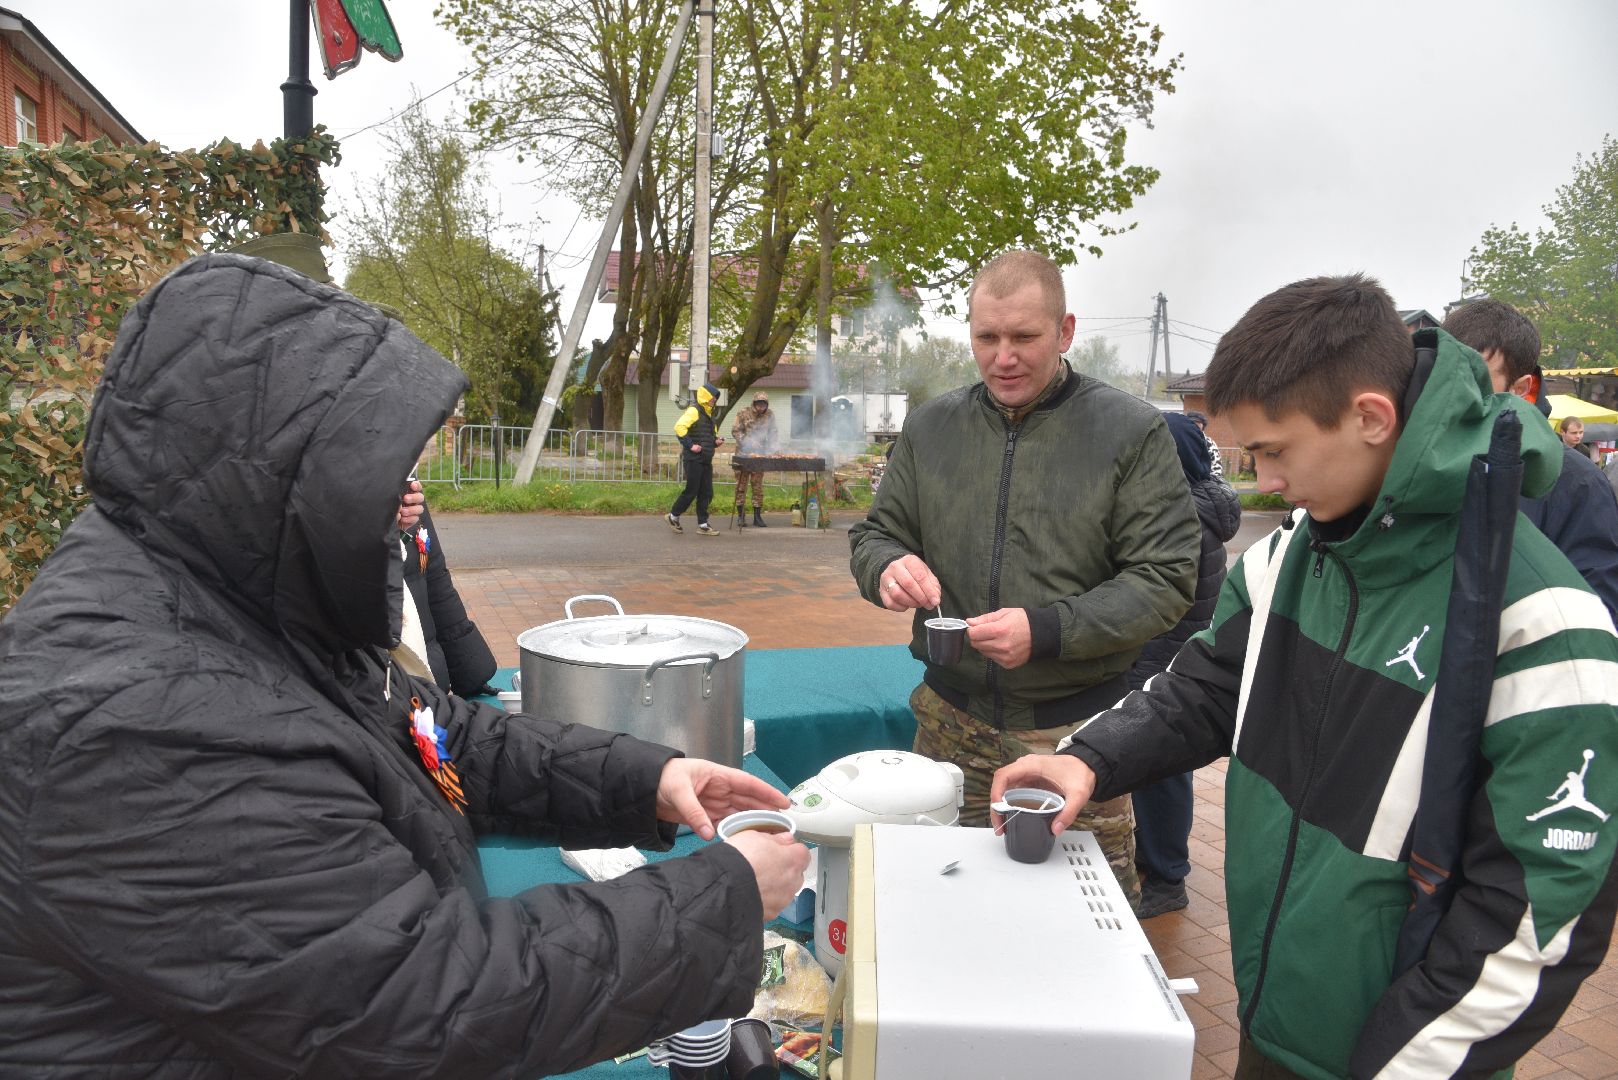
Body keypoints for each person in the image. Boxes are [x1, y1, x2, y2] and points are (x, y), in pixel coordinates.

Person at [0, 254, 811, 1077]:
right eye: (380, 465)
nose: (408, 494)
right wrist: (722, 901)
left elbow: (432, 733)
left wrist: (642, 780)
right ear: (276, 469)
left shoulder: (243, 589)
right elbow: (422, 1003)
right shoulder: (135, 727)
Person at [992, 274, 1618, 1079]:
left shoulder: (1542, 623)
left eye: (1273, 451)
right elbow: (1204, 684)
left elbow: (1542, 915)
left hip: (1399, 1057)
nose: (1261, 479)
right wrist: (1088, 758)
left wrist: (1398, 1065)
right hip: (1273, 1017)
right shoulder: (1294, 551)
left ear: (1369, 417)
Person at [848, 249, 1199, 908]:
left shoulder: (1129, 431)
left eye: (1023, 338)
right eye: (987, 337)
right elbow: (874, 534)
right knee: (941, 908)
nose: (1003, 356)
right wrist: (886, 567)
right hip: (947, 726)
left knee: (1081, 923)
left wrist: (1046, 631)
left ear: (1064, 332)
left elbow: (1166, 578)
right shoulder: (932, 428)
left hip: (1072, 739)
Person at [1129, 412, 1241, 920]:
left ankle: (1167, 877)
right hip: (1169, 650)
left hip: (1162, 654)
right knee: (1159, 769)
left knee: (1160, 770)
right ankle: (1159, 862)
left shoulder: (1181, 517)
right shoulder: (1198, 506)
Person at [1443, 298, 1618, 622]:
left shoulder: (1578, 483)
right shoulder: (1427, 464)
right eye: (1445, 376)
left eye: (1475, 379)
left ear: (1522, 388)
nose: (1456, 393)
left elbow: (1598, 619)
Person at [668, 381, 723, 536]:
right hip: (693, 459)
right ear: (706, 396)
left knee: (707, 492)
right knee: (692, 491)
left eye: (715, 398)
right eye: (713, 397)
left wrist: (716, 442)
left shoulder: (710, 414)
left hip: (706, 458)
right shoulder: (694, 410)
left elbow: (708, 437)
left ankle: (703, 524)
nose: (715, 400)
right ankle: (673, 516)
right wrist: (691, 445)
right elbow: (679, 427)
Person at [731, 390, 779, 528]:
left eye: (763, 404)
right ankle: (741, 516)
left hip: (760, 455)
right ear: (754, 403)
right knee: (741, 486)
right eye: (759, 404)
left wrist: (773, 447)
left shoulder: (770, 415)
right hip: (743, 455)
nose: (761, 407)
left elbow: (773, 432)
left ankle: (757, 517)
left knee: (757, 486)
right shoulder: (743, 413)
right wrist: (748, 442)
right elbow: (735, 431)